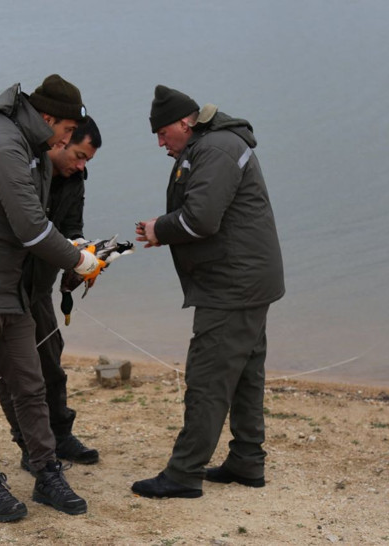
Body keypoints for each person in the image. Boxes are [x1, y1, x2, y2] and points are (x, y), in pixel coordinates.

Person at [0, 75, 105, 522]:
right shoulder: (5, 146)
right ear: (49, 118)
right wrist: (80, 262)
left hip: (13, 293)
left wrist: (76, 250)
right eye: (69, 132)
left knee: (30, 387)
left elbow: (44, 220)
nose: (67, 140)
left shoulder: (31, 149)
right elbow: (31, 228)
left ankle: (47, 472)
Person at [131, 85, 285, 499]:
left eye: (163, 133)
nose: (161, 143)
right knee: (245, 374)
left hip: (233, 284)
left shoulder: (214, 149)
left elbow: (201, 219)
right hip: (248, 279)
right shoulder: (213, 144)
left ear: (185, 122)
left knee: (208, 378)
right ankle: (247, 461)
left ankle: (183, 473)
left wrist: (158, 230)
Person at [0, 117, 102, 471]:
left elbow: (73, 230)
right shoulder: (23, 169)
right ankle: (28, 445)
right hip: (2, 287)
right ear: (60, 141)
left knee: (51, 364)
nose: (81, 165)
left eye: (88, 160)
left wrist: (82, 260)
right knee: (12, 372)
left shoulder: (75, 180)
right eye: (79, 155)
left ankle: (61, 435)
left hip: (39, 286)